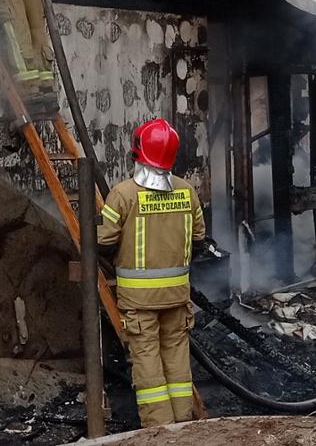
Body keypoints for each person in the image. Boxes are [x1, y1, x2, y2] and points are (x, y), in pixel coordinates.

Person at [98, 119, 223, 428]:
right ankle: (183, 425)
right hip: (177, 297)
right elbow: (199, 238)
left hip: (139, 302)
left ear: (136, 152)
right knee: (178, 362)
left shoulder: (122, 195)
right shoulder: (187, 192)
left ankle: (159, 431)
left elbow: (103, 241)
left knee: (148, 363)